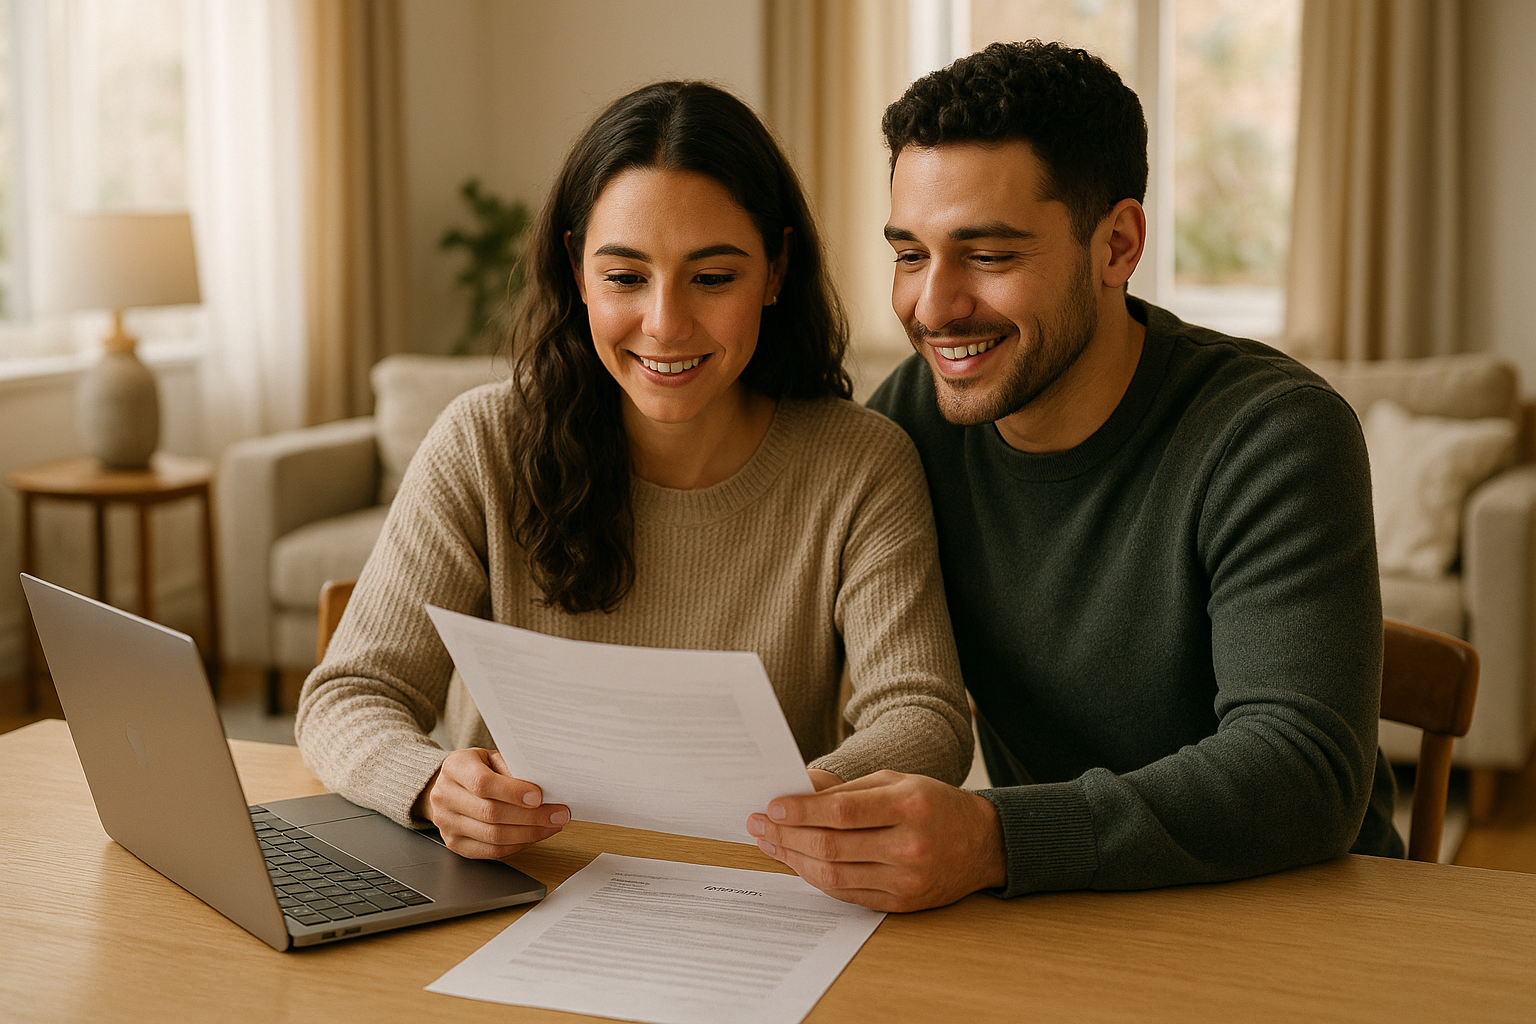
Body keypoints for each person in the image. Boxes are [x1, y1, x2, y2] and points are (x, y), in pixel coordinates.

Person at [747, 41, 1403, 911]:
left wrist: (995, 837)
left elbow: (1303, 771)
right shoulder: (911, 416)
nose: (933, 308)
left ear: (1117, 245)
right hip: (1070, 911)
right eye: (910, 254)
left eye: (988, 255)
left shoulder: (1272, 433)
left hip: (1298, 910)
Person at [296, 81, 972, 858]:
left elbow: (925, 718)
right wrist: (430, 783)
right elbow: (349, 695)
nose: (665, 323)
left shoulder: (861, 465)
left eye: (712, 278)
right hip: (516, 891)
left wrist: (799, 804)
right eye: (624, 277)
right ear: (577, 270)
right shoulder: (482, 445)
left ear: (776, 270)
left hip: (754, 888)